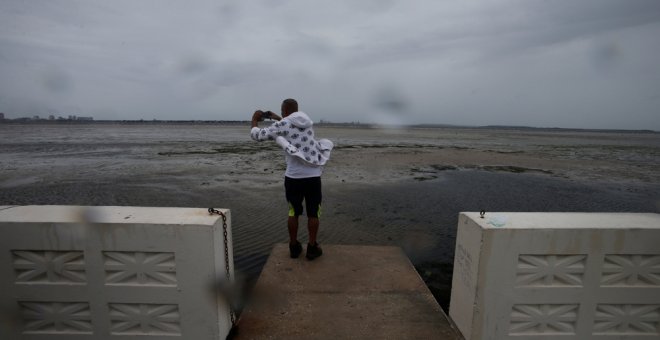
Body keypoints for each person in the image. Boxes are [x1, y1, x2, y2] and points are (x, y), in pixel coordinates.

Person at [250, 98, 333, 260]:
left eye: (282, 111)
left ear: (285, 110)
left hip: (294, 177)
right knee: (313, 214)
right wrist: (277, 118)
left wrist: (254, 119)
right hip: (313, 176)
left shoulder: (283, 124)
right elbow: (292, 128)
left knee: (293, 212)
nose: (281, 114)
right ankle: (312, 247)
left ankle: (294, 247)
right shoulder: (307, 122)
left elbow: (258, 136)